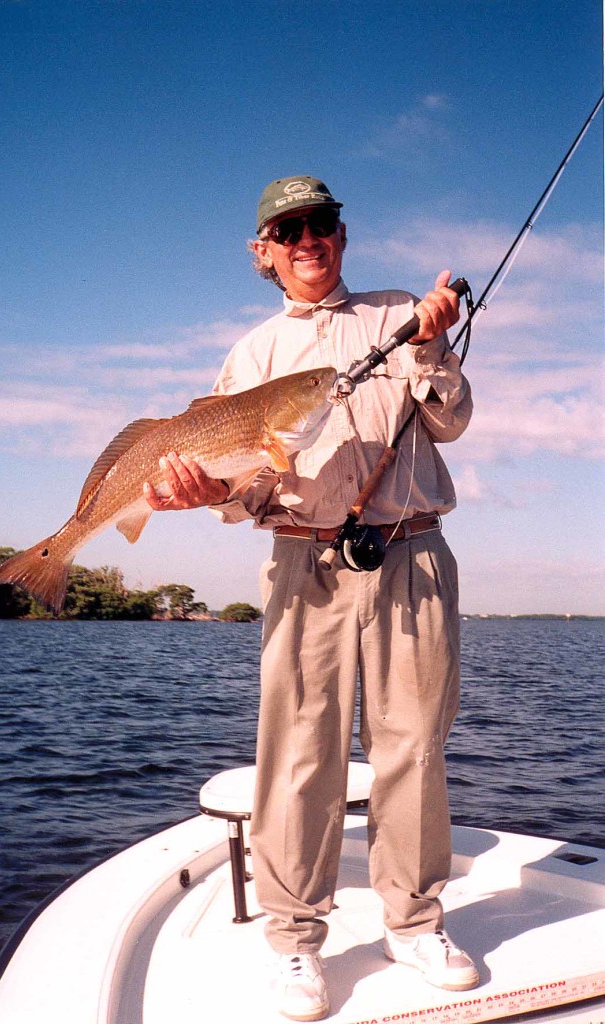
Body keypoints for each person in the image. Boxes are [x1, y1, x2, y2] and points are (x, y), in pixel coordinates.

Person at [144, 175, 476, 1021]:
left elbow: (452, 420)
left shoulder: (401, 310)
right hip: (303, 563)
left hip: (414, 552)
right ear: (263, 252)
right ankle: (295, 939)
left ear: (341, 234)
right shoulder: (251, 355)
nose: (307, 239)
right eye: (287, 229)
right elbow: (242, 487)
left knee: (414, 749)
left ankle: (414, 920)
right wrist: (197, 494)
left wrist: (433, 344)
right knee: (299, 760)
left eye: (320, 223)